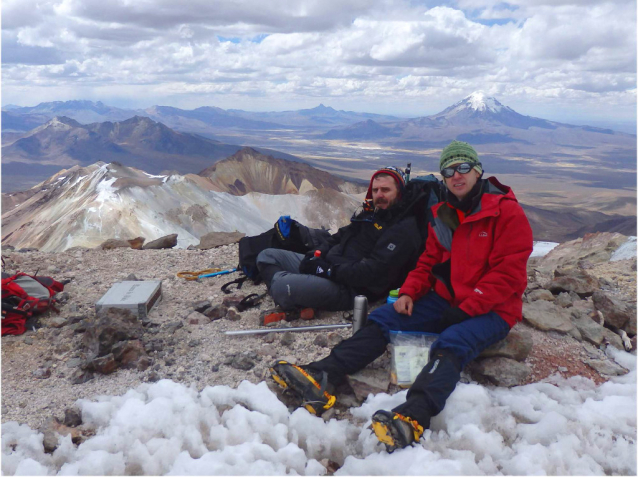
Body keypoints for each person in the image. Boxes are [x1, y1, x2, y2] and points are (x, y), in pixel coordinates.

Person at [269, 140, 534, 451]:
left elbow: (509, 274)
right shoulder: (445, 214)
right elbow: (429, 261)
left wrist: (469, 307)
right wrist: (409, 292)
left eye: (463, 167)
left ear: (477, 171)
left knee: (452, 342)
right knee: (385, 317)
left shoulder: (506, 213)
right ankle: (321, 375)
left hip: (494, 310)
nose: (456, 175)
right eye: (449, 170)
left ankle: (413, 417)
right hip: (449, 299)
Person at [256, 166, 423, 323]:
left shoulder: (402, 230)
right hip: (328, 267)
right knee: (266, 255)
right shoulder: (372, 214)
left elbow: (373, 272)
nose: (379, 195)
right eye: (375, 190)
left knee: (280, 284)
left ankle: (293, 300)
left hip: (349, 289)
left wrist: (328, 271)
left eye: (386, 190)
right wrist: (315, 254)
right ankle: (301, 298)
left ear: (400, 192)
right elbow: (340, 236)